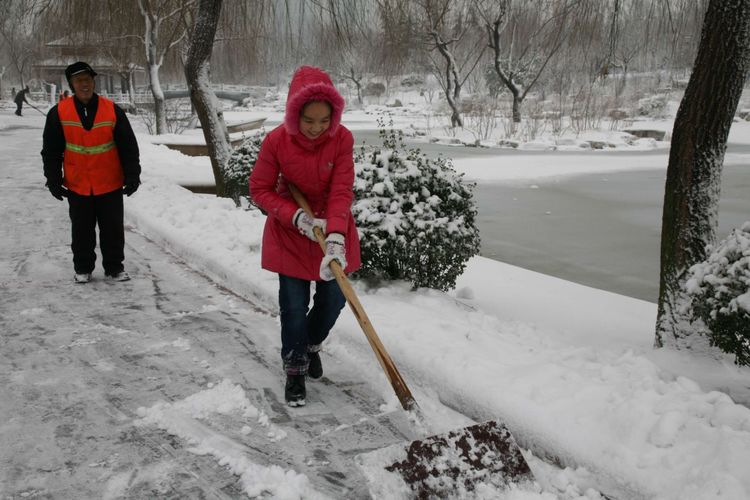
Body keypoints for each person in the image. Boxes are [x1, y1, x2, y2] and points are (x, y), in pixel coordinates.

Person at [250, 66, 361, 407]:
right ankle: (295, 367)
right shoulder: (277, 141)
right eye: (309, 120)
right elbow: (260, 188)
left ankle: (311, 345)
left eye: (324, 120)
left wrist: (337, 236)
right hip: (291, 230)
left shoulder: (342, 139)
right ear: (295, 113)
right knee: (293, 306)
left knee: (334, 300)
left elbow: (342, 188)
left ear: (334, 115)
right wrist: (293, 216)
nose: (316, 128)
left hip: (332, 226)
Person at [40, 61, 141, 284]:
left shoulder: (112, 109)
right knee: (82, 231)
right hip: (78, 184)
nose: (84, 84)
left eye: (88, 79)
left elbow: (128, 145)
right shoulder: (58, 112)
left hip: (109, 181)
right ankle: (83, 268)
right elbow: (51, 151)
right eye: (79, 81)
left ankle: (115, 268)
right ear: (72, 84)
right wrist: (53, 180)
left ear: (93, 82)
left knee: (113, 230)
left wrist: (133, 174)